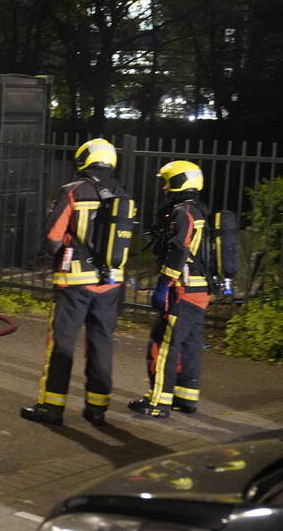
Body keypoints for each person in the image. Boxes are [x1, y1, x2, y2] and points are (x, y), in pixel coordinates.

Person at [21, 138, 130, 427]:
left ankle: (51, 406)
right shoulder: (122, 194)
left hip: (75, 282)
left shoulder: (73, 191)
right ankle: (97, 408)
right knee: (101, 344)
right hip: (111, 283)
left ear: (84, 160)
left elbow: (52, 239)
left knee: (62, 344)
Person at [128, 160, 209, 418]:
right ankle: (185, 398)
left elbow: (178, 248)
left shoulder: (183, 212)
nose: (164, 188)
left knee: (163, 343)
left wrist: (164, 284)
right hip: (199, 289)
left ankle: (157, 403)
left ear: (180, 182)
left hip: (181, 290)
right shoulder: (201, 211)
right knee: (190, 344)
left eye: (168, 182)